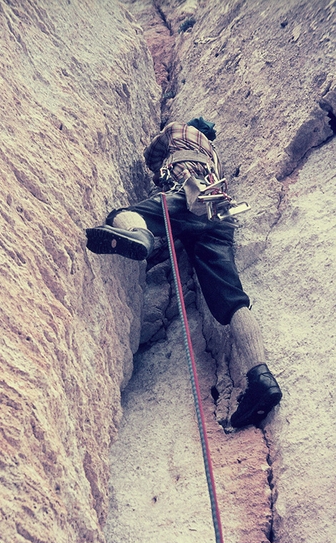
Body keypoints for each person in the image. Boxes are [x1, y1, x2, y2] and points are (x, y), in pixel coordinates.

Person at [85, 118, 282, 429]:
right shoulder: (212, 153)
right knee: (232, 302)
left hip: (186, 198)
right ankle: (261, 375)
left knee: (123, 215)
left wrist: (158, 161)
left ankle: (139, 235)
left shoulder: (177, 129)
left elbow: (151, 155)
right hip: (218, 211)